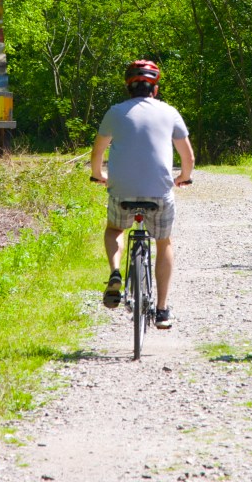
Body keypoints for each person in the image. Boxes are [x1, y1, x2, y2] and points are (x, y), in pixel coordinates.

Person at [89, 59, 195, 330]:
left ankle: (115, 273)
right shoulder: (169, 112)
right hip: (158, 192)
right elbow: (188, 157)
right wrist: (183, 177)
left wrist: (99, 174)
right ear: (155, 89)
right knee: (163, 242)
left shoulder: (114, 112)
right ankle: (162, 311)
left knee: (114, 229)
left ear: (128, 88)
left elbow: (98, 152)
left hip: (121, 190)